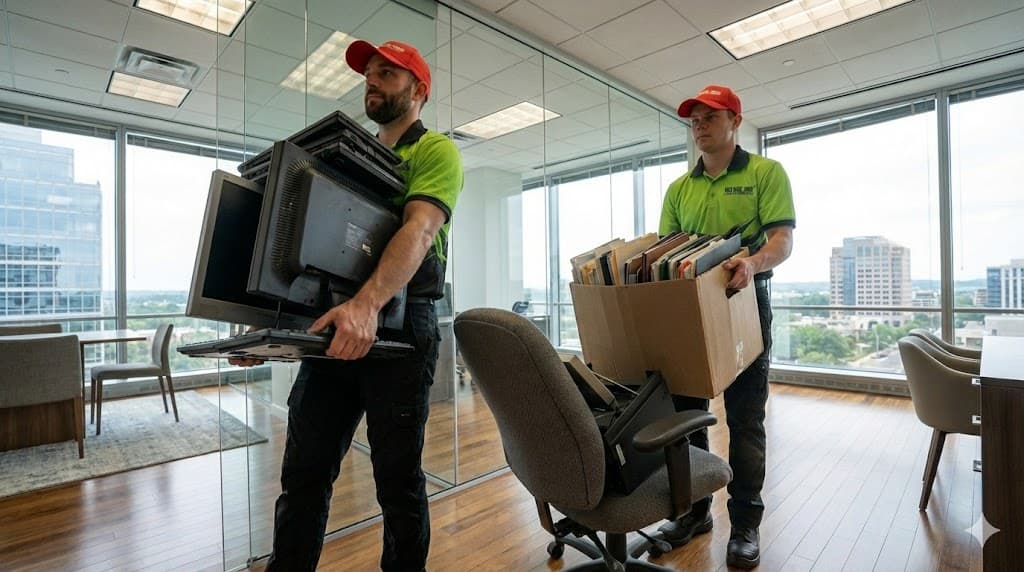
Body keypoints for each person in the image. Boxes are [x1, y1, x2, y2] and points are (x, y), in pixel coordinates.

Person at [231, 39, 463, 572]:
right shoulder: (348, 159)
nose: (372, 81)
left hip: (402, 329)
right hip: (336, 324)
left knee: (397, 482)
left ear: (418, 89)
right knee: (304, 476)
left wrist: (368, 306)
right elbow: (315, 260)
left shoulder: (434, 152)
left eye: (387, 72)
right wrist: (268, 332)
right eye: (368, 74)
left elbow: (420, 229)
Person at [656, 85, 795, 569]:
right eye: (693, 119)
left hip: (744, 303)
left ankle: (745, 525)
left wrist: (754, 262)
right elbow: (666, 250)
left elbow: (783, 239)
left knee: (745, 418)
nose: (699, 125)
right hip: (688, 308)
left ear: (735, 121)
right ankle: (696, 513)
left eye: (709, 117)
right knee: (687, 416)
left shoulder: (765, 173)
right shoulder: (678, 189)